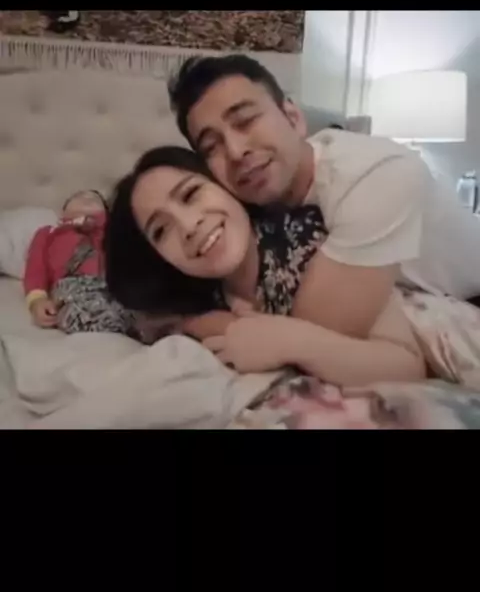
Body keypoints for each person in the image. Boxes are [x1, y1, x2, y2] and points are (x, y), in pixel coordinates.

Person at [166, 54, 480, 346]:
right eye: (211, 147)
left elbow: (312, 335)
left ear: (293, 118)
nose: (235, 152)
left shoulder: (375, 175)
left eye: (245, 121)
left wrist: (195, 323)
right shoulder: (242, 207)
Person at [104, 146, 425, 387]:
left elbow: (406, 365)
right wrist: (203, 324)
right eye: (161, 231)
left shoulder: (308, 239)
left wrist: (291, 342)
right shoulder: (197, 293)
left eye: (191, 195)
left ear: (226, 187)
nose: (189, 226)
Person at [24, 189, 131, 335]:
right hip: (72, 285)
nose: (87, 197)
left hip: (113, 283)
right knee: (80, 312)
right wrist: (37, 300)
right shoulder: (49, 233)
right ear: (63, 213)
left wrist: (100, 223)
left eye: (96, 199)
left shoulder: (112, 230)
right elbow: (35, 269)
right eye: (78, 198)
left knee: (132, 304)